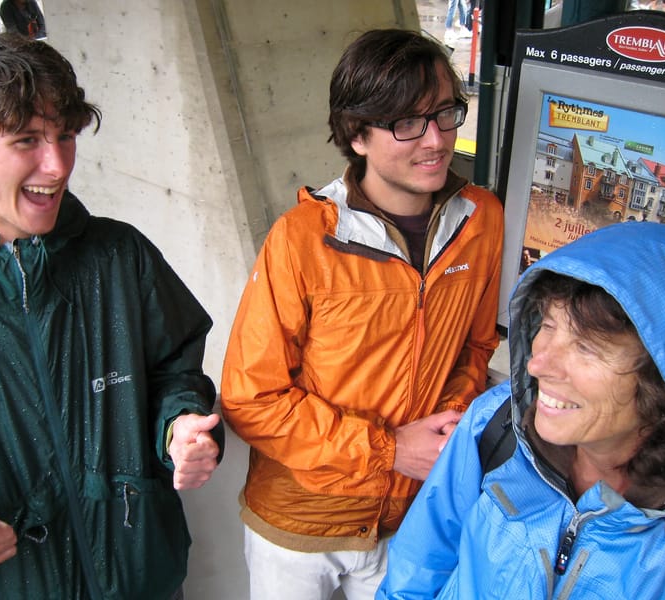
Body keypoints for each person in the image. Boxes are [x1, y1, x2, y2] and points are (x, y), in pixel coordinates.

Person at [0, 32, 223, 599]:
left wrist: (179, 425)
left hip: (142, 578)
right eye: (28, 139)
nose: (57, 165)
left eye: (66, 135)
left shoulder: (120, 256)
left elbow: (175, 369)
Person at [221, 28, 503, 600]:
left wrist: (446, 426)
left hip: (410, 519)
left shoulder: (482, 221)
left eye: (445, 114)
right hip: (301, 528)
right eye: (406, 123)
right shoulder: (304, 240)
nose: (435, 140)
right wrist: (392, 449)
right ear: (357, 136)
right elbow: (251, 400)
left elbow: (474, 347)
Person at [377, 221, 665, 599]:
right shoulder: (498, 425)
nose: (537, 364)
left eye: (586, 347)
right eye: (547, 325)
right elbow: (418, 568)